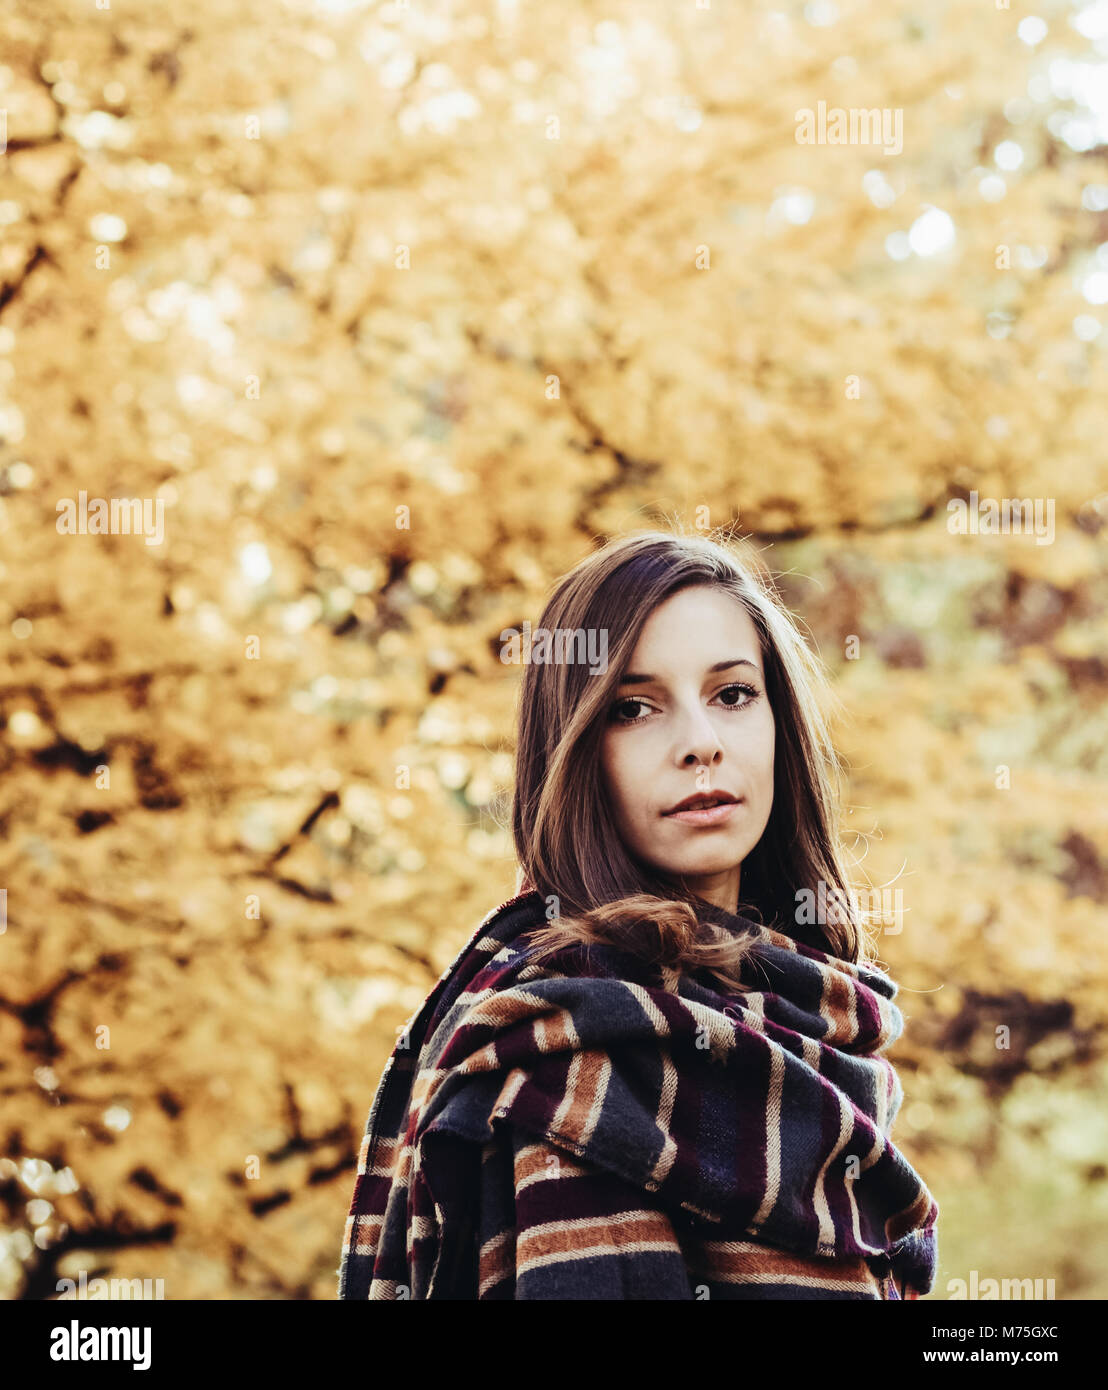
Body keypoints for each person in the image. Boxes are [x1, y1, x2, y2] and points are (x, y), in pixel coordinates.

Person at [338, 527, 939, 1300]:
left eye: (732, 694)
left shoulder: (818, 1027)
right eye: (634, 708)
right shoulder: (571, 1055)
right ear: (577, 748)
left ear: (778, 722)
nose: (701, 743)